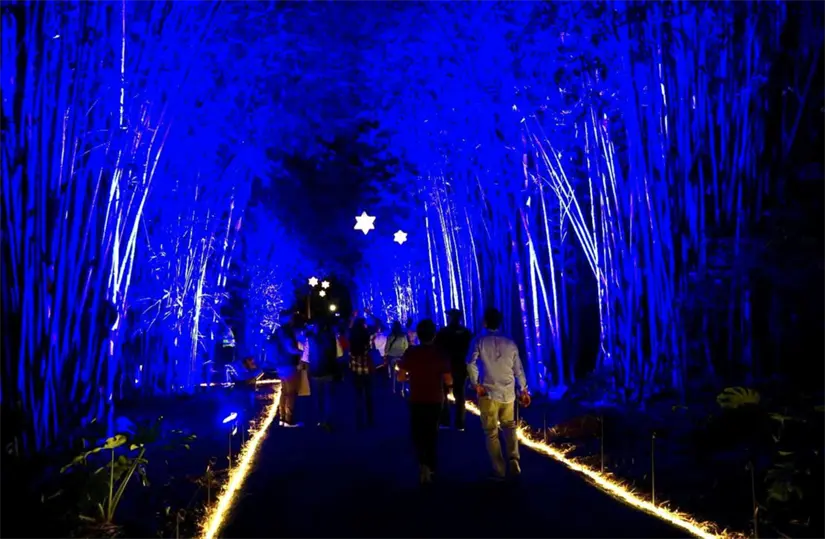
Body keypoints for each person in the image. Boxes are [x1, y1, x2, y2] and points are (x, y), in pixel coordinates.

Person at [466, 307, 531, 480]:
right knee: (509, 426)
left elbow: (470, 363)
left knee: (491, 432)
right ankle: (514, 459)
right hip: (508, 393)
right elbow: (518, 369)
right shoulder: (509, 342)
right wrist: (523, 389)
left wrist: (475, 384)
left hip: (488, 392)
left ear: (485, 322)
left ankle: (499, 469)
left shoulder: (479, 340)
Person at [396, 319, 452, 484]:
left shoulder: (411, 352)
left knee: (418, 432)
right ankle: (431, 466)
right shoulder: (440, 353)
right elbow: (448, 380)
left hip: (416, 398)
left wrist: (407, 375)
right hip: (435, 398)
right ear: (433, 335)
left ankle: (422, 464)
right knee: (432, 432)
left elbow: (400, 377)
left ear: (418, 335)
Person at [435, 309, 473, 430]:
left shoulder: (443, 332)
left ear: (450, 318)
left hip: (446, 366)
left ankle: (445, 420)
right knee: (460, 394)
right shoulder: (466, 333)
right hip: (461, 366)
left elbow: (438, 349)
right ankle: (460, 423)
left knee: (443, 393)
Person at [269, 311, 303, 427]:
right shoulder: (287, 331)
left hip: (279, 364)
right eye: (292, 317)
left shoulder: (278, 331)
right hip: (288, 364)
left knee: (284, 391)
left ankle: (282, 418)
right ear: (288, 319)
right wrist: (302, 352)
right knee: (291, 393)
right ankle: (289, 420)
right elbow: (290, 348)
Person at [309, 319, 339, 430]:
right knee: (328, 396)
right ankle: (327, 419)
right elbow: (335, 354)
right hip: (328, 369)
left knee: (317, 396)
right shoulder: (330, 337)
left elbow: (307, 354)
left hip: (315, 370)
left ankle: (319, 419)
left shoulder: (311, 338)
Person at [348, 317, 374, 428]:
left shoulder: (352, 338)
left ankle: (359, 421)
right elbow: (368, 349)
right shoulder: (366, 336)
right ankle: (370, 419)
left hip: (355, 369)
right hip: (366, 368)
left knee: (358, 395)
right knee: (368, 395)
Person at [384, 321, 409, 392]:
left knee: (392, 370)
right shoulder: (403, 336)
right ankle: (403, 387)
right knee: (403, 370)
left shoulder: (390, 336)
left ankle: (393, 387)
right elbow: (406, 347)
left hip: (392, 357)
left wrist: (386, 353)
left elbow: (387, 347)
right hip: (401, 356)